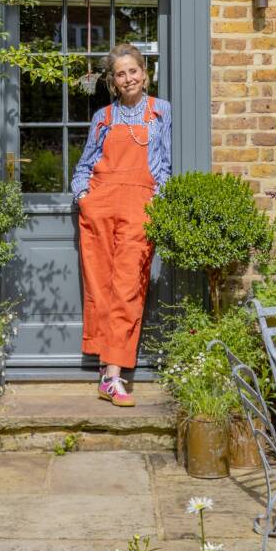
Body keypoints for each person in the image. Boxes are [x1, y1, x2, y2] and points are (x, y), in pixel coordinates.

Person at [71, 43, 172, 407]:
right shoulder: (103, 117)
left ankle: (113, 374)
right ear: (113, 82)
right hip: (100, 205)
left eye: (133, 71)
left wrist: (155, 204)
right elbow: (83, 166)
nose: (128, 78)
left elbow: (167, 167)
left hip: (139, 206)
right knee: (100, 285)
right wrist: (84, 197)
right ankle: (108, 373)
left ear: (144, 74)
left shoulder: (161, 112)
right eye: (120, 74)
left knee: (128, 286)